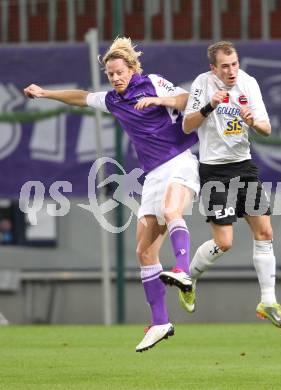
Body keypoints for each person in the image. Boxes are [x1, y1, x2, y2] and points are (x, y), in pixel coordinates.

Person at [24, 37, 200, 351]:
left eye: (120, 71)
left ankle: (183, 272)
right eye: (110, 74)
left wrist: (161, 101)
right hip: (153, 175)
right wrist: (46, 93)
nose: (116, 78)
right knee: (144, 252)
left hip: (179, 163)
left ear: (132, 68)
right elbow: (81, 97)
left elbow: (188, 99)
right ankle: (160, 322)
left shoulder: (153, 83)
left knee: (173, 211)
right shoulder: (114, 101)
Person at [181, 41, 281, 330]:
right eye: (225, 66)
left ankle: (268, 301)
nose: (232, 71)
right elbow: (187, 126)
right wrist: (210, 106)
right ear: (213, 68)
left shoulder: (248, 83)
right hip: (214, 171)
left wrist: (254, 121)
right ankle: (189, 278)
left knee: (265, 230)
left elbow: (266, 128)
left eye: (235, 64)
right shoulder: (201, 85)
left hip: (244, 166)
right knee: (224, 243)